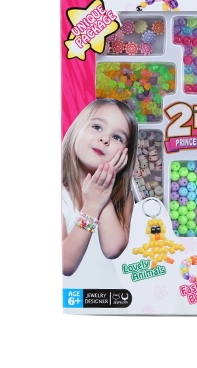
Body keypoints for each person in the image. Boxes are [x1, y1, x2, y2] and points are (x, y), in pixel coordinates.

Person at [61, 98, 138, 277]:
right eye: (97, 127)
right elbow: (64, 264)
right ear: (77, 129)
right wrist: (92, 205)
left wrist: (103, 192)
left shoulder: (123, 196)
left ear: (125, 153)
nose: (105, 139)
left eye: (117, 137)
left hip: (108, 291)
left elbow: (112, 248)